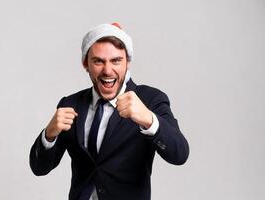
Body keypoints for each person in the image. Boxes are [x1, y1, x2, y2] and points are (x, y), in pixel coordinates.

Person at [29, 23, 189, 200]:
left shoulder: (150, 99)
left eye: (116, 60)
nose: (107, 70)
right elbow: (39, 168)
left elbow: (179, 154)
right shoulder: (71, 104)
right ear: (85, 64)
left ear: (127, 63)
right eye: (98, 61)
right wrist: (49, 135)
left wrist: (150, 120)